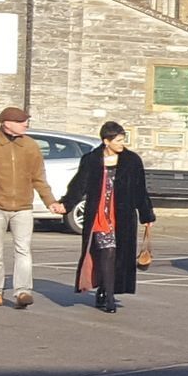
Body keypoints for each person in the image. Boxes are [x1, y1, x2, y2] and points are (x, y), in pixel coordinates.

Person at [60, 122, 156, 313]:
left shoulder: (132, 161)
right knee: (106, 253)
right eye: (118, 140)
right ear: (106, 141)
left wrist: (146, 214)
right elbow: (79, 185)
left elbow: (139, 189)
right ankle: (108, 296)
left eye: (123, 140)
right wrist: (66, 204)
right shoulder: (91, 160)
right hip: (99, 215)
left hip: (122, 216)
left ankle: (105, 289)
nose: (122, 144)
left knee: (117, 255)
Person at [0, 106, 59, 308]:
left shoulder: (31, 146)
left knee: (23, 250)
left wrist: (50, 201)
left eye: (26, 121)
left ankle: (23, 292)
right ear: (6, 123)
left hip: (23, 207)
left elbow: (38, 177)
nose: (25, 124)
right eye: (21, 121)